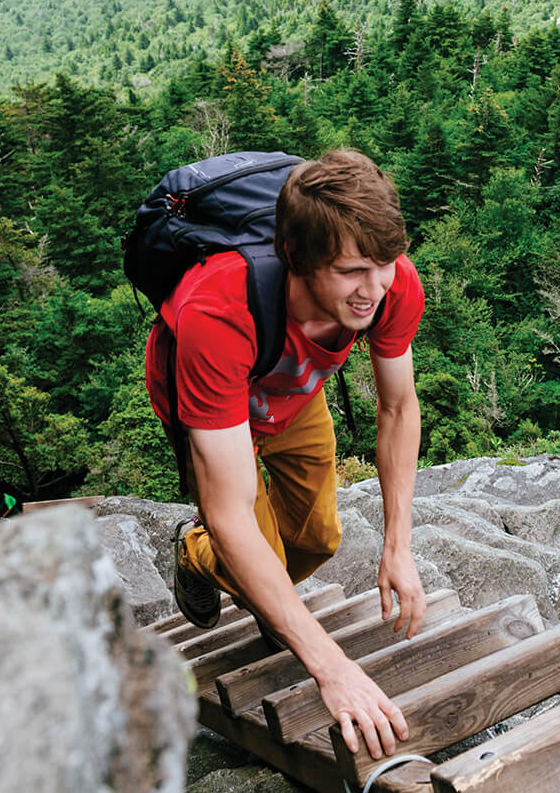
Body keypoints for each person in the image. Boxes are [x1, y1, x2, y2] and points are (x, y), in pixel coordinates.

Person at [144, 148, 427, 761]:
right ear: (298, 259)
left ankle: (224, 569)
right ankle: (198, 552)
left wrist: (398, 546)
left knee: (318, 539)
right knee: (262, 581)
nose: (373, 288)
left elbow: (399, 409)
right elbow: (231, 510)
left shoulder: (389, 280)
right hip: (216, 406)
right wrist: (333, 668)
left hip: (294, 394)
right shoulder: (218, 308)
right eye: (353, 270)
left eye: (383, 264)